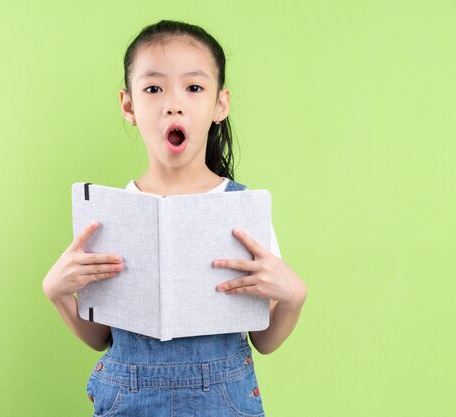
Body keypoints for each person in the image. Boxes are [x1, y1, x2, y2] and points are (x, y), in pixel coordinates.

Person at [42, 19, 307, 417]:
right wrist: (59, 293)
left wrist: (293, 298)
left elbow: (264, 340)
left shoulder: (243, 208)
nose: (173, 103)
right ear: (128, 105)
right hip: (128, 401)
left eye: (194, 87)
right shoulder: (108, 214)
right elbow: (101, 339)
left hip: (224, 401)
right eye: (153, 88)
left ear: (220, 104)